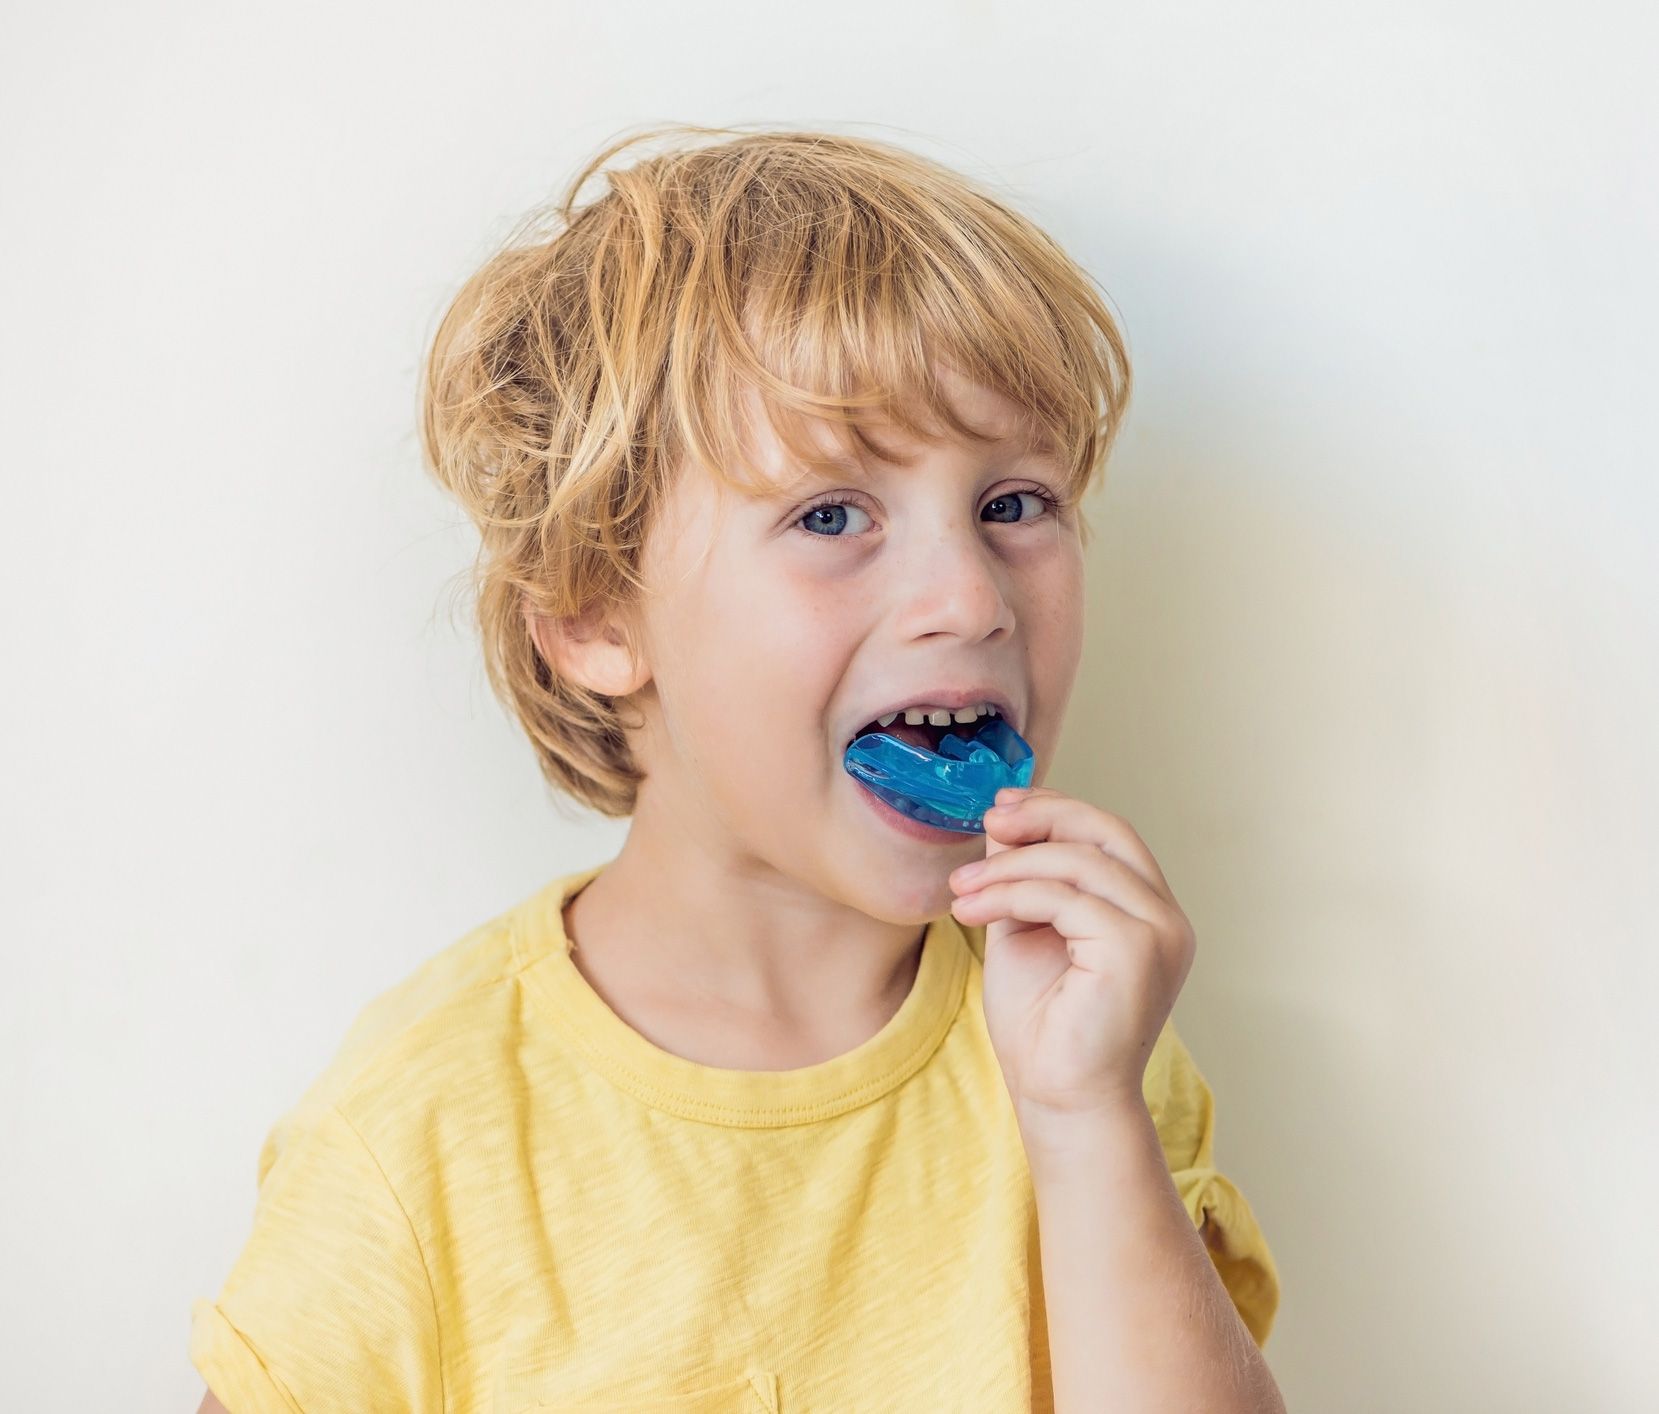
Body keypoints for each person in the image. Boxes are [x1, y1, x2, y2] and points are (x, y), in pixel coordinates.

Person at [188, 123, 1283, 1413]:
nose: (967, 597)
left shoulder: (1086, 1042)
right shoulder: (419, 1139)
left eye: (1014, 505)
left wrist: (1089, 1119)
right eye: (831, 516)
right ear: (598, 615)